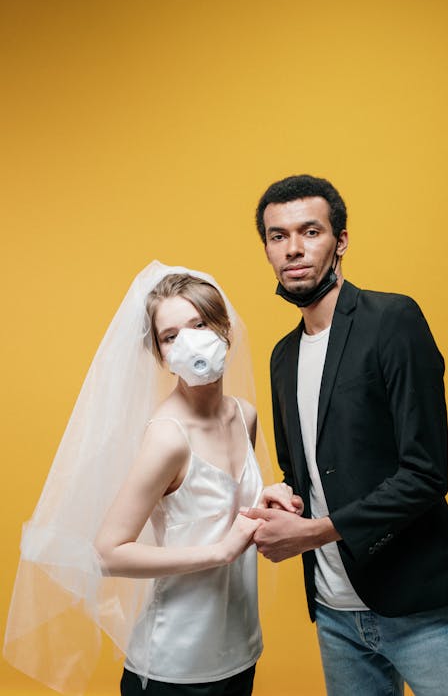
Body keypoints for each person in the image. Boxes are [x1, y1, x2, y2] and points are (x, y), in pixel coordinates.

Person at [244, 175, 448, 695]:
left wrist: (315, 532)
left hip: (419, 606)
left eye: (309, 231)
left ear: (341, 240)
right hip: (335, 612)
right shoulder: (282, 357)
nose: (293, 248)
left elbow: (424, 474)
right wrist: (281, 500)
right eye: (277, 235)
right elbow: (303, 471)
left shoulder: (392, 320)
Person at [4, 261, 290, 696]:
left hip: (241, 649)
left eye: (199, 324)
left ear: (224, 327)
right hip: (176, 665)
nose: (189, 341)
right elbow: (107, 553)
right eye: (170, 336)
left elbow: (217, 506)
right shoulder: (167, 438)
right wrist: (219, 551)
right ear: (160, 354)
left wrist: (264, 497)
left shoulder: (243, 415)